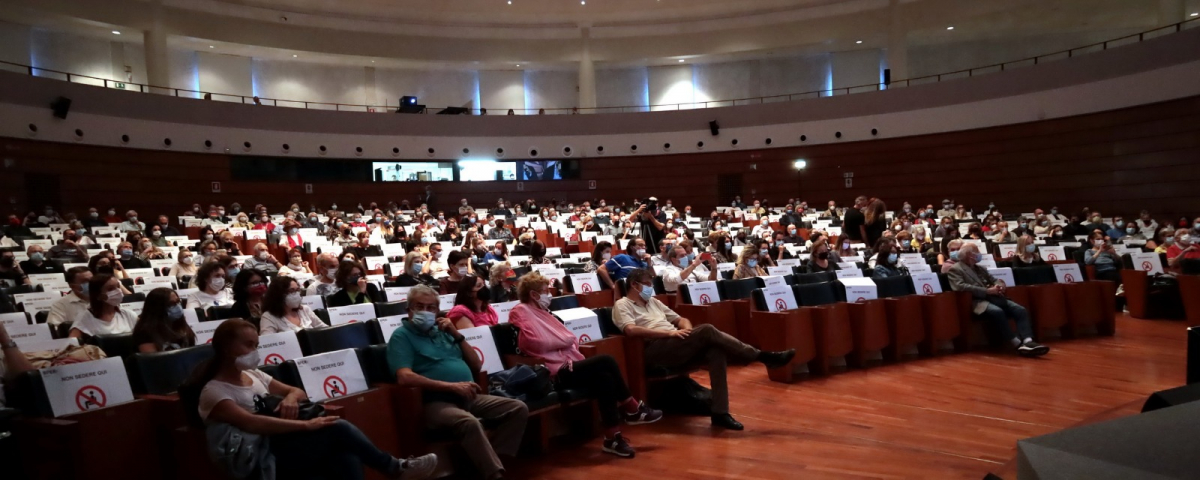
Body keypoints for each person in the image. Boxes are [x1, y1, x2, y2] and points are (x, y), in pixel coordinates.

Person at [189, 319, 437, 480]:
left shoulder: (254, 375)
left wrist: (290, 399)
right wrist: (307, 426)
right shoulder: (214, 392)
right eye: (248, 345)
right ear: (226, 349)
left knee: (344, 453)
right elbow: (252, 423)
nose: (255, 352)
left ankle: (395, 468)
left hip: (280, 442)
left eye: (256, 345)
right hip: (258, 457)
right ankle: (393, 467)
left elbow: (298, 391)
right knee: (337, 428)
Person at [614, 268, 794, 430]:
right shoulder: (622, 304)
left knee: (716, 351)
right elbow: (630, 330)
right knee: (707, 329)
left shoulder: (653, 302)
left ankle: (720, 413)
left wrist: (688, 332)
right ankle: (761, 356)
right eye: (647, 284)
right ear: (634, 285)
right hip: (653, 349)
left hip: (675, 342)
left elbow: (680, 319)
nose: (650, 288)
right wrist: (668, 333)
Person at [508, 272, 662, 457]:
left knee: (605, 378)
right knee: (606, 360)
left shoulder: (545, 313)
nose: (549, 294)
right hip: (553, 372)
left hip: (570, 365)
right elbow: (534, 343)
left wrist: (562, 340)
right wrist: (562, 341)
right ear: (533, 294)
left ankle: (612, 438)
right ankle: (632, 407)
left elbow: (571, 338)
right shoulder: (520, 311)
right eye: (544, 291)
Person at [387, 285, 528, 480]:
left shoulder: (444, 331)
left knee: (518, 408)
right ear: (408, 310)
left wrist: (456, 334)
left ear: (438, 311)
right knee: (468, 423)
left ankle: (493, 463)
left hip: (468, 396)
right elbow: (404, 377)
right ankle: (494, 474)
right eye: (419, 307)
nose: (425, 312)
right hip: (435, 402)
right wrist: (452, 387)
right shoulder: (401, 336)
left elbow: (476, 365)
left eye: (431, 307)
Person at [948, 243, 1049, 357]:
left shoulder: (980, 268)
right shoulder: (955, 269)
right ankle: (1016, 343)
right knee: (997, 311)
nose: (980, 254)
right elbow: (960, 286)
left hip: (995, 297)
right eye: (977, 251)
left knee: (1020, 310)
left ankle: (1028, 341)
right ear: (969, 254)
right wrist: (986, 291)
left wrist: (999, 286)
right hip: (977, 301)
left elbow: (995, 280)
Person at [69, 274, 138, 340]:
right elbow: (71, 344)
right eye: (110, 289)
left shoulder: (128, 314)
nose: (118, 291)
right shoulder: (85, 317)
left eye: (118, 286)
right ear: (98, 295)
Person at [133, 288, 197, 352]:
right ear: (158, 308)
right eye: (172, 304)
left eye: (178, 301)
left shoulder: (179, 324)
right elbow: (152, 357)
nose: (177, 306)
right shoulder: (144, 332)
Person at [260, 277, 325, 334]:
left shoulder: (305, 309)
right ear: (279, 294)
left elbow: (324, 329)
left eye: (297, 290)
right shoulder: (268, 317)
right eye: (292, 291)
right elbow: (268, 341)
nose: (296, 294)